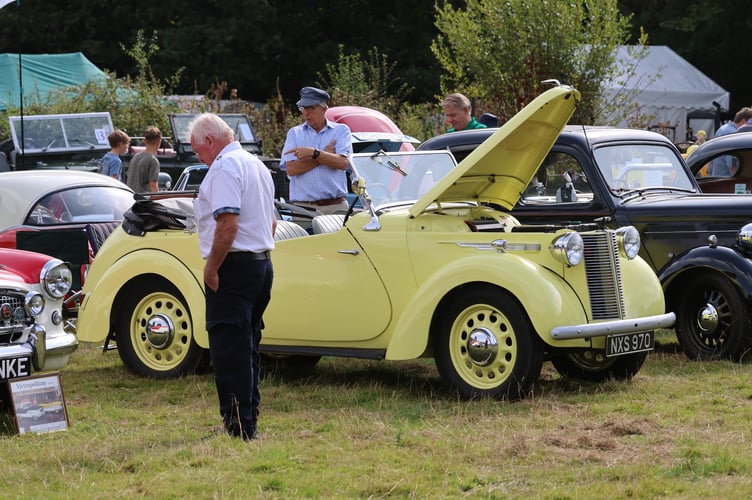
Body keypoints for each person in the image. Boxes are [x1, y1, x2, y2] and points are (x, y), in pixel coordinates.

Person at [189, 113, 277, 440]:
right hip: (260, 263)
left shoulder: (225, 167)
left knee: (229, 350)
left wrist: (212, 267)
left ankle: (239, 426)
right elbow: (271, 223)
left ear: (211, 140)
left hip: (235, 266)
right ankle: (245, 419)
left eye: (198, 150)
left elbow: (228, 224)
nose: (199, 158)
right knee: (247, 346)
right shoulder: (255, 165)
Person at [280, 86, 353, 215]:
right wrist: (322, 155)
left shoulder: (341, 130)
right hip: (303, 208)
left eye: (311, 108)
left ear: (324, 108)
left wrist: (314, 153)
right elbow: (291, 169)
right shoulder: (295, 133)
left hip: (335, 206)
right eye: (303, 108)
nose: (306, 113)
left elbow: (343, 163)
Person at [126, 126, 162, 192]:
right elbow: (153, 185)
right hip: (143, 199)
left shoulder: (135, 157)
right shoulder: (153, 161)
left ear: (145, 141)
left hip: (130, 196)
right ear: (159, 142)